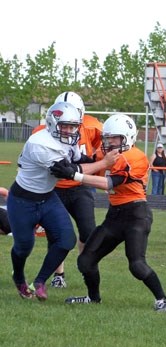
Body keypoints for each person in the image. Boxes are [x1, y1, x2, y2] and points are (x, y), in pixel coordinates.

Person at [52, 114, 166, 312]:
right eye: (107, 138)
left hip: (136, 215)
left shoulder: (137, 157)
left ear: (128, 137)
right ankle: (93, 298)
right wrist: (69, 161)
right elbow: (90, 161)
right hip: (115, 216)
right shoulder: (105, 152)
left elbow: (109, 183)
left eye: (115, 138)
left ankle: (163, 299)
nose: (109, 143)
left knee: (136, 264)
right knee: (85, 260)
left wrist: (74, 174)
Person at [7, 102, 113, 301]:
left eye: (73, 126)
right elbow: (67, 172)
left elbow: (79, 159)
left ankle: (39, 282)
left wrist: (101, 160)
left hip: (47, 198)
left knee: (66, 240)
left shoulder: (67, 140)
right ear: (52, 123)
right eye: (64, 125)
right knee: (24, 246)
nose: (69, 130)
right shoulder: (40, 143)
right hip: (23, 200)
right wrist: (104, 163)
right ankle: (19, 277)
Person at [32, 92, 105, 290]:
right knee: (56, 234)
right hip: (54, 188)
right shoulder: (41, 132)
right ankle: (59, 275)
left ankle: (85, 268)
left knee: (88, 231)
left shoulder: (92, 127)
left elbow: (99, 150)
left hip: (80, 186)